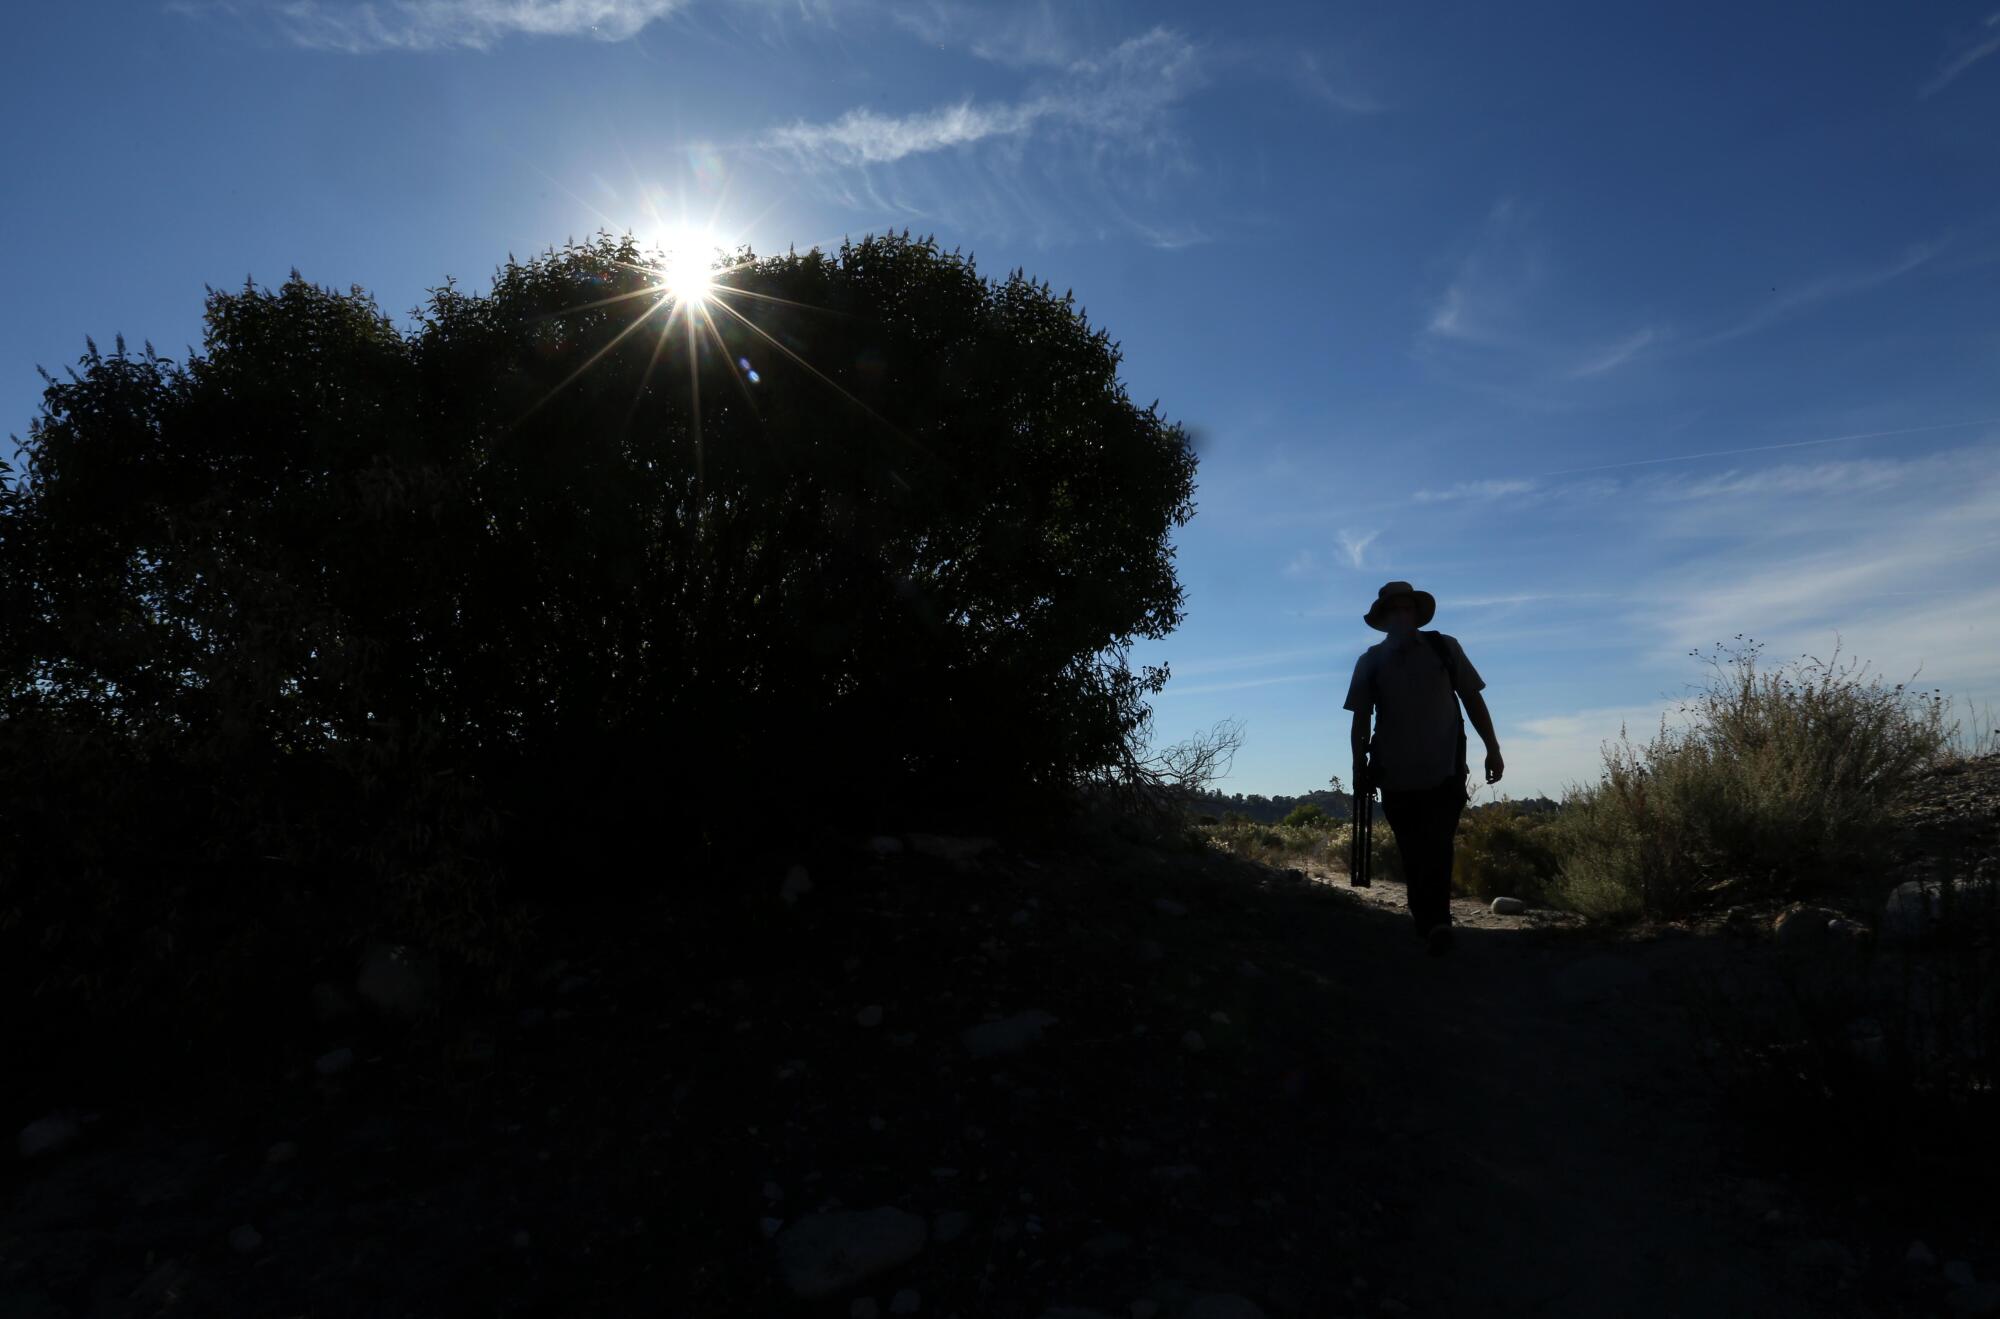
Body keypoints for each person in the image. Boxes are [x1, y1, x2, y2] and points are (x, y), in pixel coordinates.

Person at [1343, 581, 1503, 956]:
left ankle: (1438, 923)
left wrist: (1492, 749)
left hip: (1445, 770)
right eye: (1394, 610)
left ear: (1415, 613)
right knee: (1413, 851)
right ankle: (1426, 921)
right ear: (1384, 619)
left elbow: (1472, 699)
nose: (1401, 615)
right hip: (1395, 775)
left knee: (1438, 846)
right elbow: (1361, 719)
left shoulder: (1445, 648)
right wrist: (1358, 766)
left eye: (1406, 609)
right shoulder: (1369, 662)